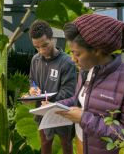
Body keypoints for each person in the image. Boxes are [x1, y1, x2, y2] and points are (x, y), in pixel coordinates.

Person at [49, 14, 124, 154]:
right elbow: (80, 99)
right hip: (82, 144)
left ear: (97, 50)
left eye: (77, 54)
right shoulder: (87, 70)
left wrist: (83, 119)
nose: (72, 59)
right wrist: (54, 104)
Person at [22, 20, 76, 154]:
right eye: (37, 47)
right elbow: (32, 80)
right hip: (43, 114)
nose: (42, 50)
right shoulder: (35, 60)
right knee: (45, 148)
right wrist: (32, 89)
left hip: (62, 114)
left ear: (52, 38)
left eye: (45, 45)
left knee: (66, 148)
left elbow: (69, 92)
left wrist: (49, 100)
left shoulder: (67, 61)